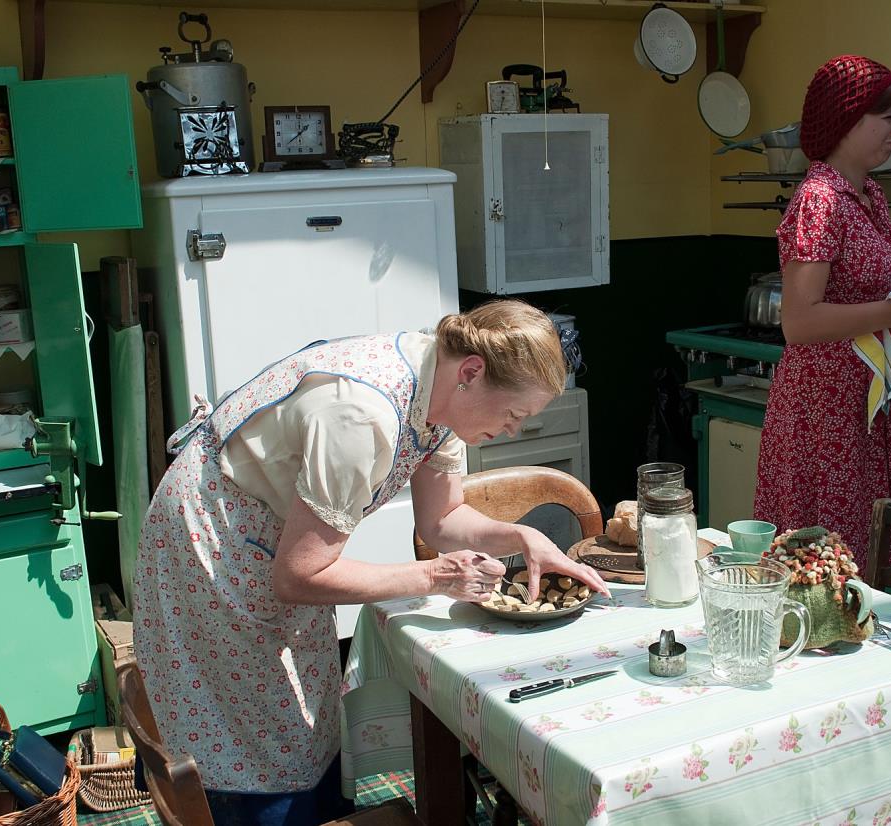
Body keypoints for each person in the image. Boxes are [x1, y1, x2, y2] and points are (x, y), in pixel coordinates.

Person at [132, 299, 610, 826]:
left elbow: (442, 518)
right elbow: (299, 575)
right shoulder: (363, 416)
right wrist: (435, 576)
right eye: (514, 416)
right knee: (252, 733)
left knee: (308, 718)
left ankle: (316, 812)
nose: (514, 431)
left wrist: (521, 536)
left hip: (277, 536)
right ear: (472, 371)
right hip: (214, 537)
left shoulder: (443, 394)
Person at [753, 55, 891, 571]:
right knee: (829, 561)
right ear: (848, 120)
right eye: (887, 118)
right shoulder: (820, 200)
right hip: (826, 409)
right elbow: (800, 322)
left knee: (873, 546)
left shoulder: (869, 195)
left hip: (870, 400)